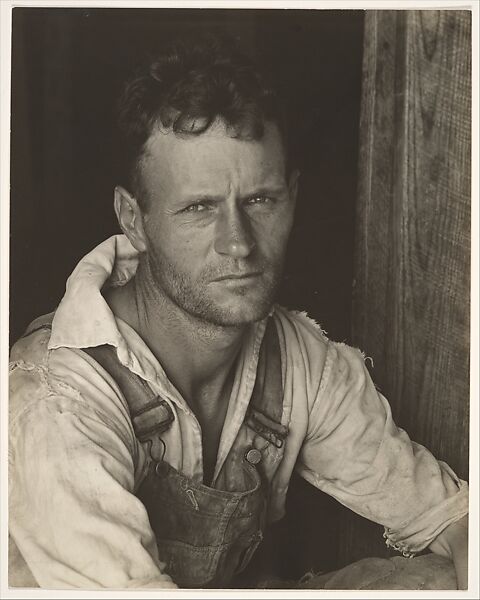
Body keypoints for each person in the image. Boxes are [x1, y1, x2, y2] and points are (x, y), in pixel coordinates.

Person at [8, 33, 468, 590]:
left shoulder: (299, 362)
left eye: (260, 200)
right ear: (133, 219)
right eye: (200, 208)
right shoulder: (56, 402)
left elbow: (450, 517)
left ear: (292, 198)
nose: (239, 243)